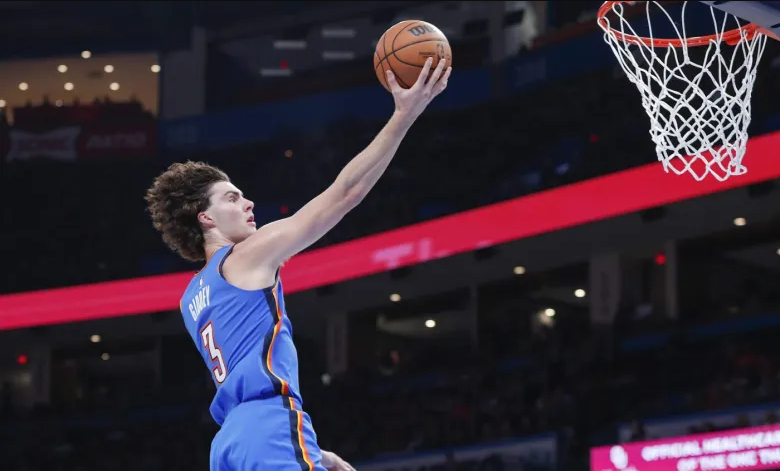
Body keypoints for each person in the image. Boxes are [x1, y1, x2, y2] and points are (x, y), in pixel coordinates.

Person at [145, 58, 452, 470]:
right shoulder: (248, 255)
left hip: (230, 444)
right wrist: (404, 115)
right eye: (232, 198)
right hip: (269, 425)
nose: (248, 202)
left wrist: (313, 454)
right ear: (206, 218)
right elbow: (345, 194)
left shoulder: (190, 298)